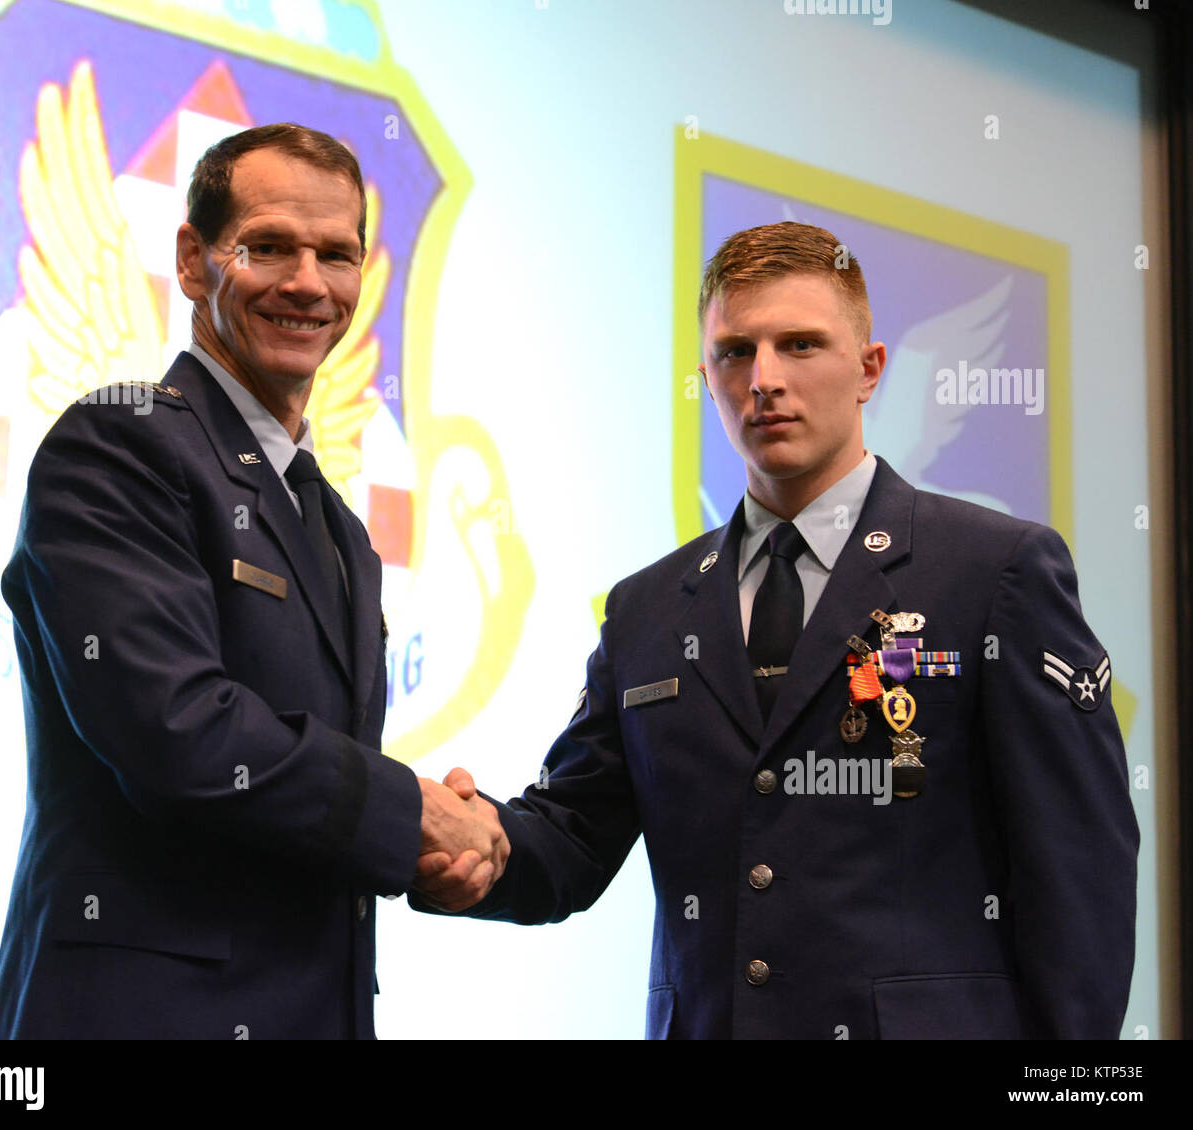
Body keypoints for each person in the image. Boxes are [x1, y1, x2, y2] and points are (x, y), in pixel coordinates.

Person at [414, 222, 1139, 1039]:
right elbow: (576, 837)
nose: (764, 380)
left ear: (869, 370)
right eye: (734, 352)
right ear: (707, 377)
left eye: (799, 345)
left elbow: (1080, 870)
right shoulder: (647, 608)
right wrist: (479, 847)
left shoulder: (994, 572)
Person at [0, 123, 506, 1039]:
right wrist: (413, 816)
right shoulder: (119, 444)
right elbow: (179, 732)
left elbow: (310, 805)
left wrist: (460, 845)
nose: (308, 282)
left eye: (336, 254)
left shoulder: (340, 529)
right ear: (193, 260)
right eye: (268, 246)